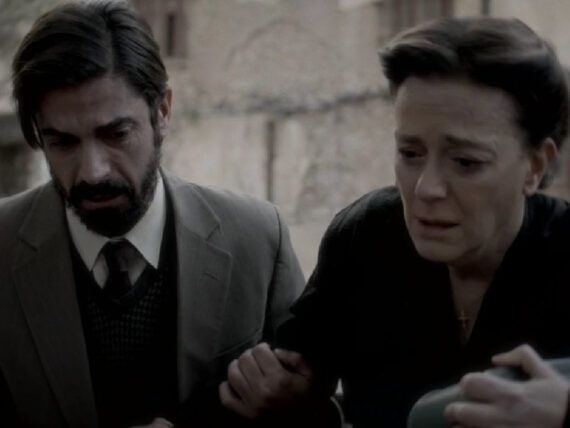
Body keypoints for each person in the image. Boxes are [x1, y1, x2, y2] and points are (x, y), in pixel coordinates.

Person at [220, 16, 570, 427]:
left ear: (535, 166)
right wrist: (284, 397)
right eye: (410, 153)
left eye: (465, 162)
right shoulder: (365, 237)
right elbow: (289, 381)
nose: (426, 188)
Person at [0, 1, 304, 427]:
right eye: (63, 143)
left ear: (162, 112)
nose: (93, 172)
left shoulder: (257, 239)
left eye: (116, 134)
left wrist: (295, 408)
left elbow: (319, 407)